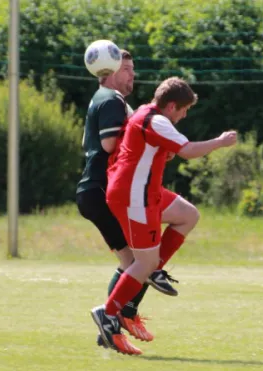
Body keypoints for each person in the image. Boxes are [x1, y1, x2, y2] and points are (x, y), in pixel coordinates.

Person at [91, 76, 237, 355]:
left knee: (188, 215)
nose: (183, 116)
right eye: (183, 110)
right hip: (135, 195)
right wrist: (220, 142)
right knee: (141, 262)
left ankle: (151, 270)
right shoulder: (158, 121)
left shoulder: (148, 113)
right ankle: (108, 313)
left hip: (147, 190)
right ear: (171, 106)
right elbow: (189, 151)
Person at [76, 50, 179, 351]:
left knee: (134, 262)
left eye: (133, 69)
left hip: (96, 190)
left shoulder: (108, 98)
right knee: (139, 263)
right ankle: (117, 318)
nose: (132, 74)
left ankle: (114, 324)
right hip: (101, 189)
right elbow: (110, 144)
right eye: (127, 69)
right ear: (109, 70)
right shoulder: (110, 100)